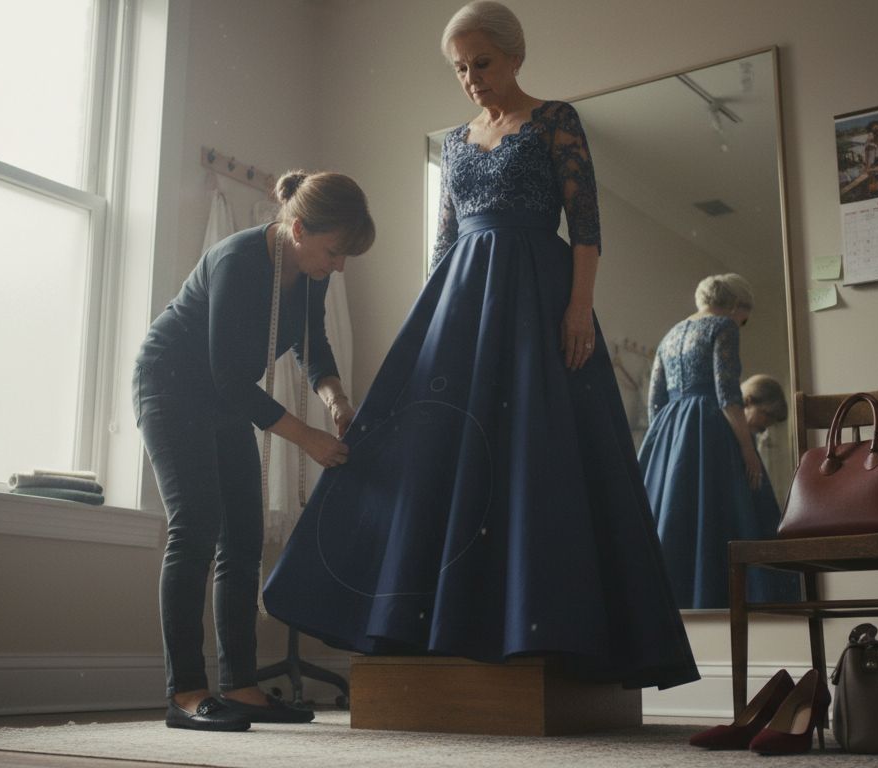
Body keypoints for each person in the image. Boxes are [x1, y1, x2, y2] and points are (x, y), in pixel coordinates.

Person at [263, 0, 697, 690]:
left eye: (482, 63)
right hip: (462, 303)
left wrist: (579, 306)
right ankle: (430, 630)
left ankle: (544, 630)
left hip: (539, 300)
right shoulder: (458, 141)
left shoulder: (556, 121)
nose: (470, 78)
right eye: (460, 68)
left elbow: (586, 225)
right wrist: (431, 327)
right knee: (439, 452)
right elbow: (444, 245)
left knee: (536, 452)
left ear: (515, 55)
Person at [133, 171, 375, 731]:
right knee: (194, 529)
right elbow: (224, 375)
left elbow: (312, 344)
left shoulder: (310, 273)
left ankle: (240, 686)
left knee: (241, 541)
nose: (338, 266)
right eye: (335, 251)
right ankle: (186, 692)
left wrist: (335, 398)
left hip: (224, 398)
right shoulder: (239, 260)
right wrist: (308, 438)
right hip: (171, 384)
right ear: (297, 229)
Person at [638, 275, 799, 610]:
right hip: (711, 428)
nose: (743, 323)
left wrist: (667, 447)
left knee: (673, 518)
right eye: (745, 316)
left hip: (670, 430)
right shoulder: (722, 327)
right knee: (733, 516)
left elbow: (655, 403)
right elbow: (728, 394)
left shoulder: (670, 336)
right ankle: (751, 603)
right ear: (736, 306)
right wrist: (746, 449)